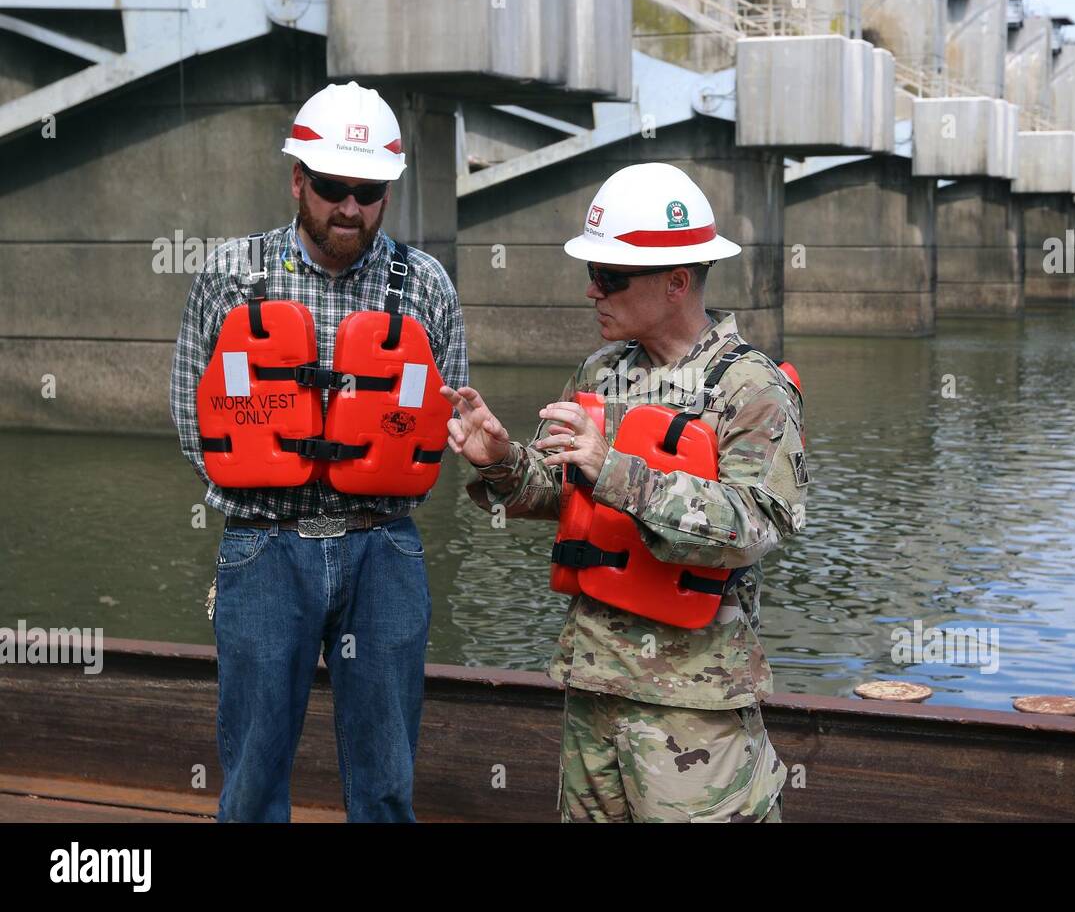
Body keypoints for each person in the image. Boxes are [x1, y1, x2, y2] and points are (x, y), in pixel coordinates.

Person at [442, 162, 807, 822]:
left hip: (692, 709)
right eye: (593, 274)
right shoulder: (599, 371)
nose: (592, 291)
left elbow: (757, 528)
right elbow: (560, 494)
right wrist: (500, 461)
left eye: (610, 276)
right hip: (592, 685)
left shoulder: (749, 388)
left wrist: (615, 470)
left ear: (675, 283)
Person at [169, 81, 467, 822]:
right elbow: (190, 412)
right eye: (332, 186)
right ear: (298, 178)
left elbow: (446, 415)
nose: (349, 207)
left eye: (369, 192)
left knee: (387, 779)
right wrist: (262, 478)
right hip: (264, 548)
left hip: (384, 550)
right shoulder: (230, 276)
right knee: (252, 779)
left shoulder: (425, 286)